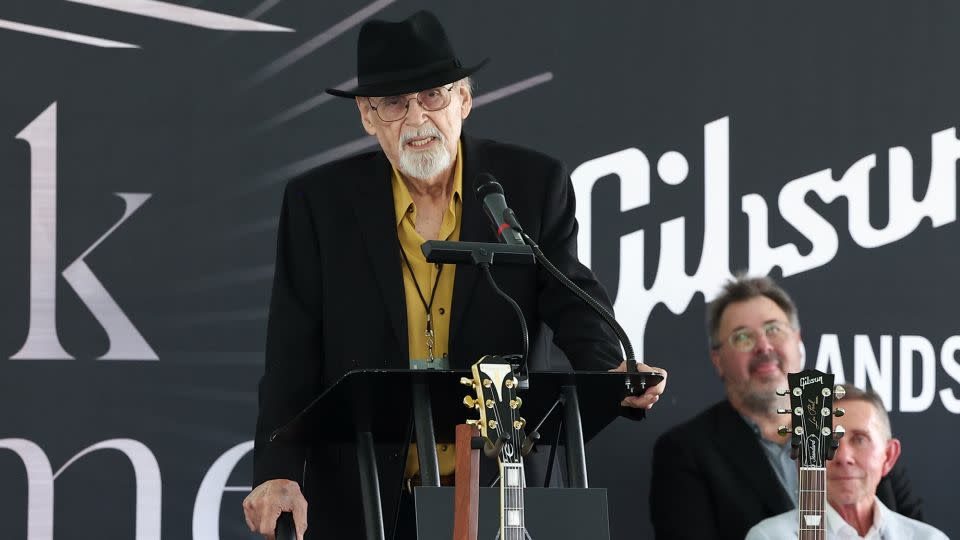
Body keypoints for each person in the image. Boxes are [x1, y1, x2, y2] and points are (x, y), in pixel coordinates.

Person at [242, 10, 667, 540]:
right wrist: (277, 470)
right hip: (366, 499)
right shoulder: (318, 204)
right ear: (367, 117)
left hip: (498, 486)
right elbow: (290, 353)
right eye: (394, 103)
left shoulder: (529, 185)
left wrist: (610, 369)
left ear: (464, 99)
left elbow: (570, 295)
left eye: (433, 96)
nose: (416, 119)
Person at [649, 275, 921, 540]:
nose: (763, 346)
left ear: (798, 341)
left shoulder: (858, 427)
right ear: (718, 360)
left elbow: (912, 529)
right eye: (742, 337)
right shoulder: (686, 451)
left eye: (774, 329)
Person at [745, 384, 947, 539]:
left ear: (888, 456)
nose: (842, 457)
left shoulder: (929, 538)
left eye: (859, 439)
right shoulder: (770, 537)